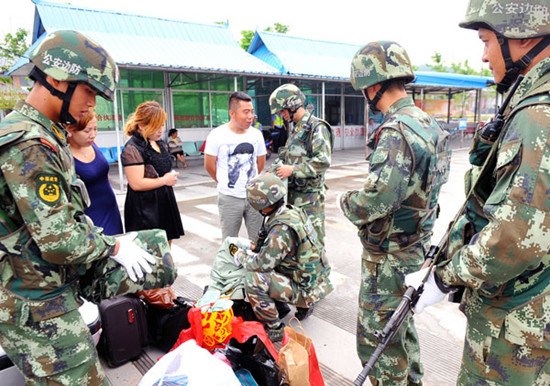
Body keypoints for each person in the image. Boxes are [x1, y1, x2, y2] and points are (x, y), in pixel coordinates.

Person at [0, 29, 176, 385]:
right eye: (89, 91)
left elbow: (60, 219)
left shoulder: (42, 133)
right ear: (55, 78)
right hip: (34, 303)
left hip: (42, 291)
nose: (92, 105)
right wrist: (112, 245)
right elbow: (60, 239)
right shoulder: (30, 144)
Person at [406, 1, 550, 385]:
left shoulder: (538, 114)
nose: (484, 56)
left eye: (487, 41)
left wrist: (443, 278)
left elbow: (517, 236)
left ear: (523, 37)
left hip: (518, 331)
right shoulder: (527, 99)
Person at [337, 41, 451, 385]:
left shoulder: (397, 130)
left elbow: (378, 199)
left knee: (378, 342)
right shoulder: (429, 125)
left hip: (387, 258)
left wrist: (347, 200)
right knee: (401, 328)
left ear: (374, 85)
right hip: (414, 248)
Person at [235, 172, 332, 342]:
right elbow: (265, 246)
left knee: (253, 279)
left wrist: (240, 255)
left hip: (305, 288)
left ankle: (275, 328)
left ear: (261, 203)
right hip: (313, 279)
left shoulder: (281, 228)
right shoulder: (291, 211)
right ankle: (293, 304)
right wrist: (250, 246)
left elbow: (261, 264)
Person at [269, 83, 333, 247]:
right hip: (293, 198)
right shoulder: (297, 130)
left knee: (313, 244)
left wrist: (292, 170)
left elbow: (322, 161)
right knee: (298, 245)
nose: (282, 115)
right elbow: (289, 158)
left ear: (292, 106)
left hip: (310, 201)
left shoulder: (316, 127)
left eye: (282, 111)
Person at [204, 91, 267, 241]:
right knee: (230, 241)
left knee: (258, 240)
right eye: (245, 112)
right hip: (229, 198)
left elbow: (260, 161)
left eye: (252, 111)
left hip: (254, 196)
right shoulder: (216, 135)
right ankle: (232, 265)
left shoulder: (256, 134)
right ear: (232, 113)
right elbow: (209, 165)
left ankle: (254, 265)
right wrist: (223, 181)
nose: (250, 116)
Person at [121, 101, 185, 243]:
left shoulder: (158, 142)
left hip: (164, 199)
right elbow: (136, 183)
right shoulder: (132, 148)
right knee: (151, 252)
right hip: (145, 207)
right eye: (155, 126)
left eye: (162, 125)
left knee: (166, 247)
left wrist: (169, 176)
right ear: (141, 125)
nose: (160, 130)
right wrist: (164, 180)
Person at [67, 110, 123, 235]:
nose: (93, 135)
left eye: (96, 129)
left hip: (110, 208)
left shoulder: (92, 144)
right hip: (89, 214)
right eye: (87, 131)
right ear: (70, 130)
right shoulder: (64, 156)